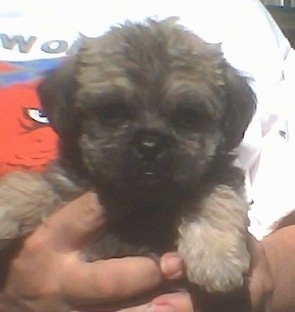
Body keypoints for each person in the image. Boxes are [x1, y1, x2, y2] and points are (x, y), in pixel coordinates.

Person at [0, 0, 295, 311]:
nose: (149, 144)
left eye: (186, 118)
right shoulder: (57, 182)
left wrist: (260, 271)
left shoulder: (241, 15)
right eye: (113, 114)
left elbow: (226, 264)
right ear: (67, 112)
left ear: (229, 119)